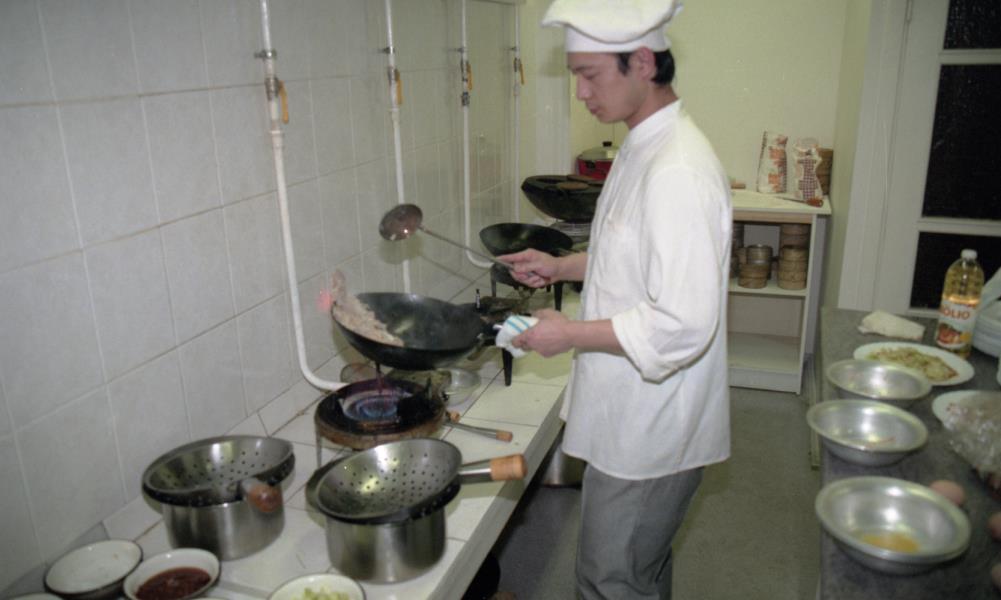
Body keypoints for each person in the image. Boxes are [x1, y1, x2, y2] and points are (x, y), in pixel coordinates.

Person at [498, 1, 732, 598]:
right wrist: (561, 265)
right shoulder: (641, 146)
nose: (580, 92)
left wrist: (567, 334)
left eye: (590, 74)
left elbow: (682, 322)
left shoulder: (677, 169)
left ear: (643, 63)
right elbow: (630, 258)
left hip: (651, 430)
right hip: (630, 412)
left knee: (611, 579)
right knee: (637, 572)